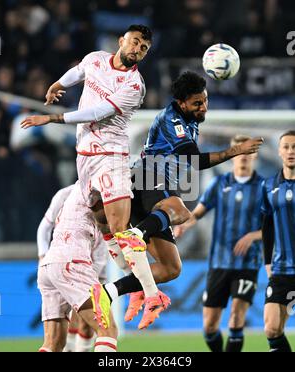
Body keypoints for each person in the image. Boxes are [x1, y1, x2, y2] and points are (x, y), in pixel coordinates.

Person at [21, 25, 169, 330]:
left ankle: (153, 294)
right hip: (85, 158)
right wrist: (56, 84)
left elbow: (98, 112)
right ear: (121, 41)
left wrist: (52, 118)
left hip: (111, 159)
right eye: (135, 42)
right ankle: (140, 286)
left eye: (144, 48)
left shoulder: (134, 85)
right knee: (104, 226)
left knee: (120, 228)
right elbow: (78, 72)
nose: (138, 49)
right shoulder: (96, 59)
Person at [96, 72, 264, 324]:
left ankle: (108, 291)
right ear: (182, 102)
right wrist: (236, 150)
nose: (203, 107)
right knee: (181, 211)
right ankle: (137, 235)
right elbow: (195, 161)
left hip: (154, 186)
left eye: (205, 100)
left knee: (171, 268)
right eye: (197, 103)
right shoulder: (172, 120)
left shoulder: (188, 119)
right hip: (147, 175)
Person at [175, 135, 264, 352]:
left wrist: (253, 236)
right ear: (232, 155)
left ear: (255, 155)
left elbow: (274, 225)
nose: (243, 156)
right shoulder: (219, 183)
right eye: (239, 151)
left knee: (236, 319)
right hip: (219, 262)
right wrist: (184, 225)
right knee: (210, 326)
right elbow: (198, 212)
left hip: (248, 263)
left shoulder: (264, 187)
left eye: (248, 152)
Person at [38, 181, 117, 352]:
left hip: (54, 263)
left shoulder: (74, 194)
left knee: (54, 343)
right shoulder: (102, 194)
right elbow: (44, 227)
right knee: (107, 329)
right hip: (74, 263)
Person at [262, 130, 295, 353]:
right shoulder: (269, 186)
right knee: (272, 328)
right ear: (279, 151)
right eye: (286, 147)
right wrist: (267, 262)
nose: (291, 151)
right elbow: (267, 226)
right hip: (281, 268)